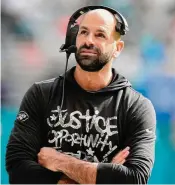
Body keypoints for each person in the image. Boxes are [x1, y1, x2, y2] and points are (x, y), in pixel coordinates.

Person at [6, 6, 156, 184]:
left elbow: (135, 178)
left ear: (118, 48)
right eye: (83, 32)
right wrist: (101, 176)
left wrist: (59, 162)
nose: (88, 41)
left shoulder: (136, 107)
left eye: (100, 35)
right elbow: (18, 170)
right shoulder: (41, 94)